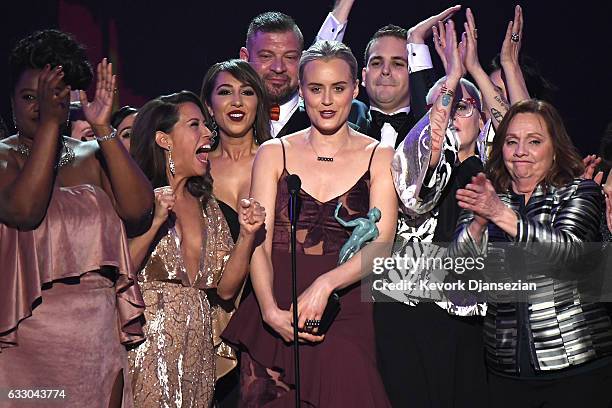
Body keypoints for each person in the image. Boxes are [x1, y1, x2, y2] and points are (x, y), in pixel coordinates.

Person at [223, 40, 397, 407]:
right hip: (275, 311)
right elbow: (259, 241)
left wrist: (326, 283)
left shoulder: (379, 156)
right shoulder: (274, 152)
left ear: (356, 88)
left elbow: (382, 244)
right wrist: (269, 310)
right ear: (301, 92)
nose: (328, 100)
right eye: (316, 89)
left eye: (338, 88)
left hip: (344, 309)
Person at [0, 29, 152, 407]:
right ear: (11, 101)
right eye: (29, 97)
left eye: (51, 97)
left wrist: (103, 128)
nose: (39, 107)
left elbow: (139, 212)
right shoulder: (4, 158)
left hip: (94, 338)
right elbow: (25, 211)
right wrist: (52, 125)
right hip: (28, 339)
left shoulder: (91, 155)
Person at [449, 99, 612, 407]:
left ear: (555, 149)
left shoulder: (580, 191)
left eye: (534, 141)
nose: (520, 151)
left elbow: (570, 256)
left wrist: (500, 215)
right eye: (512, 142)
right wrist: (477, 226)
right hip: (507, 376)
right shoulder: (488, 198)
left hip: (578, 372)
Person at [127, 90, 265, 407]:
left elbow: (227, 290)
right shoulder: (137, 197)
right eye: (195, 125)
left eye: (205, 124)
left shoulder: (207, 205)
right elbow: (121, 273)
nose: (207, 132)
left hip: (198, 350)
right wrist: (155, 223)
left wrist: (246, 235)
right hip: (149, 347)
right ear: (164, 140)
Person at [200, 58, 271, 406]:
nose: (237, 102)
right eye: (225, 92)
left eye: (247, 92)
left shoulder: (279, 159)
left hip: (268, 310)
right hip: (212, 316)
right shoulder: (195, 167)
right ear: (209, 106)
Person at [240, 8, 359, 138]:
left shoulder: (346, 132)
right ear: (245, 58)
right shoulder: (223, 123)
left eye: (290, 57)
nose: (278, 68)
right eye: (266, 56)